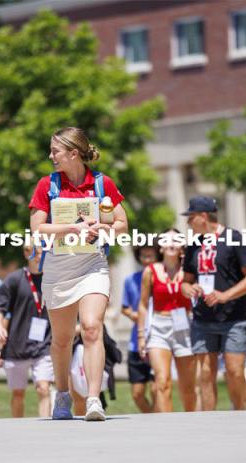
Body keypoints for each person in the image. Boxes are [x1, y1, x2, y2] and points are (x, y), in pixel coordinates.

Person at [29, 127, 128, 421]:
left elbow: (122, 223)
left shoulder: (101, 184)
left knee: (91, 328)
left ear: (73, 153)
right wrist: (70, 227)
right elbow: (37, 229)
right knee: (61, 340)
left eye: (55, 151)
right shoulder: (47, 185)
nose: (51, 156)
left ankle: (94, 399)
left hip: (92, 265)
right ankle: (63, 394)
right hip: (58, 267)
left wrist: (103, 228)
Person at [181, 196, 246, 411]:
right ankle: (210, 422)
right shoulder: (193, 245)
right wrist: (190, 289)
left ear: (204, 217)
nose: (188, 222)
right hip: (202, 319)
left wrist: (226, 295)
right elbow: (185, 283)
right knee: (205, 373)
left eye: (191, 217)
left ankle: (239, 411)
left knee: (234, 371)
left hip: (233, 318)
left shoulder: (233, 238)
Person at [0, 245, 54, 418]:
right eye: (36, 252)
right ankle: (19, 429)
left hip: (44, 346)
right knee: (18, 394)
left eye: (43, 252)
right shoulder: (15, 279)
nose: (40, 256)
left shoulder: (53, 278)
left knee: (43, 388)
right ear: (26, 253)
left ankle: (45, 429)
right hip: (16, 346)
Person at [137, 229, 196, 412]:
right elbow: (143, 304)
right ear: (161, 247)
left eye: (176, 240)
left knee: (187, 388)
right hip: (159, 328)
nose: (171, 243)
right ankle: (168, 428)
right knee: (162, 382)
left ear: (182, 248)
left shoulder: (190, 271)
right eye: (167, 240)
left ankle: (191, 422)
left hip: (185, 327)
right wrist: (141, 335)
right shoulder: (151, 271)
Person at [121, 246, 158, 413]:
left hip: (157, 340)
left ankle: (161, 420)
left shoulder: (162, 278)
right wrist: (136, 316)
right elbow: (124, 307)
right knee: (137, 394)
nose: (147, 260)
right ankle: (153, 418)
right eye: (144, 256)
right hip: (136, 344)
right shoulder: (130, 280)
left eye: (150, 256)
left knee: (157, 389)